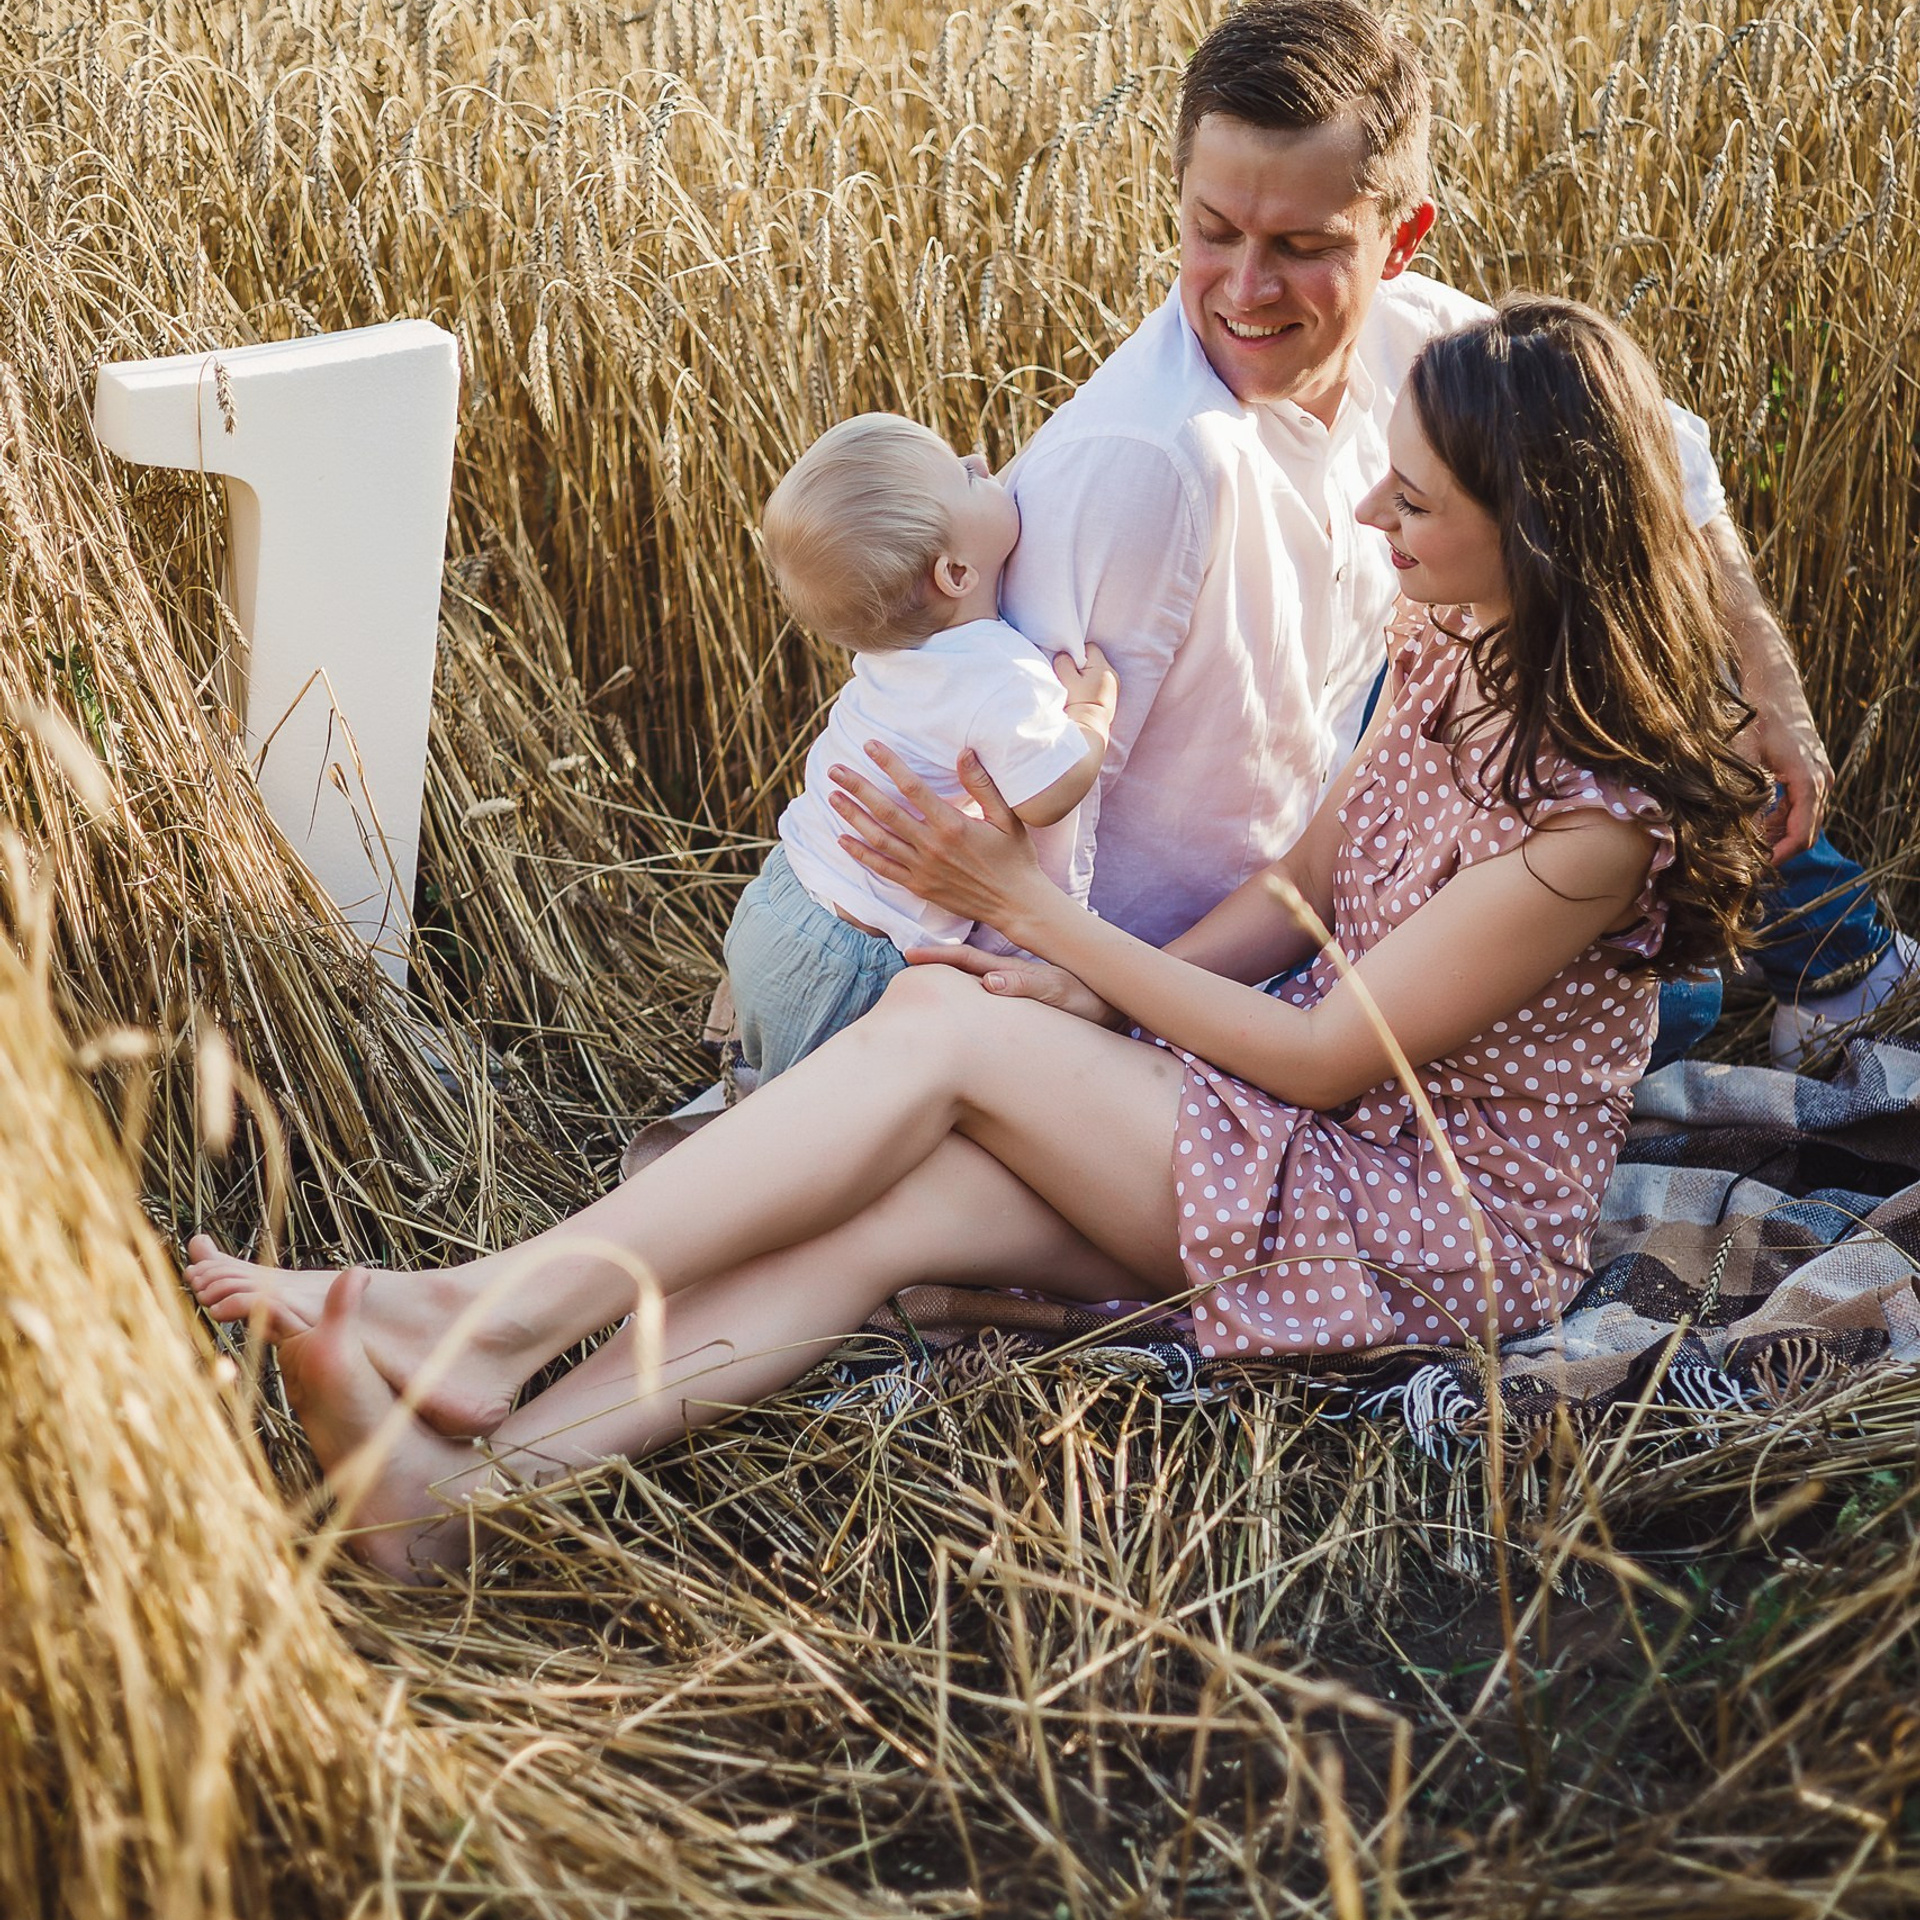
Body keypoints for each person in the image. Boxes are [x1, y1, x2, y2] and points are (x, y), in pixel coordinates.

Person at [186, 297, 1769, 1580]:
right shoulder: (1455, 643)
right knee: (903, 1210)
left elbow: (1327, 1055)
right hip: (1300, 1125)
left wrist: (1032, 917)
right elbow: (1296, 886)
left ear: (1540, 528)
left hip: (1418, 1214)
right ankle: (481, 1495)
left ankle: (482, 1319)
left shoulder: (1592, 829)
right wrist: (1069, 979)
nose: (1371, 508)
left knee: (943, 1028)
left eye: (1413, 497)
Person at [992, 0, 1905, 1073]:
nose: (1244, 289)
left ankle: (1838, 963)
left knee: (1591, 576)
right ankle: (1782, 972)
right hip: (1223, 947)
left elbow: (1654, 461)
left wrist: (1768, 687)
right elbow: (1005, 776)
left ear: (1402, 235)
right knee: (1661, 982)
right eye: (1213, 231)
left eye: (1303, 246)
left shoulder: (1421, 340)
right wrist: (1082, 995)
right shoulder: (1141, 461)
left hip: (1368, 860)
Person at [722, 414, 1118, 1080]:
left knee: (772, 1088)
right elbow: (1047, 795)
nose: (981, 459)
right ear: (957, 572)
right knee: (825, 1120)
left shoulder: (889, 654)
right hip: (852, 952)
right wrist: (1089, 715)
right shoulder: (999, 673)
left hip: (780, 895)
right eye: (965, 477)